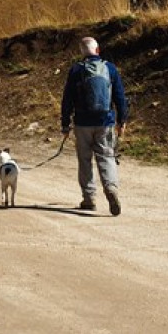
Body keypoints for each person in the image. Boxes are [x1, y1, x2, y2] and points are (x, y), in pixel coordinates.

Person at [60, 36, 129, 215]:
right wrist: (122, 120)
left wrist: (65, 124)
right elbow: (120, 97)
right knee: (106, 157)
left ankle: (89, 198)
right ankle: (111, 189)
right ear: (97, 50)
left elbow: (67, 99)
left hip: (82, 123)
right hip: (104, 121)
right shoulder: (110, 68)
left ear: (82, 53)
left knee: (85, 161)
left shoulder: (76, 70)